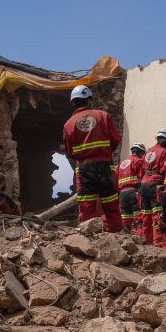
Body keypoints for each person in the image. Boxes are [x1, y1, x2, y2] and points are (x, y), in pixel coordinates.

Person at [62, 85, 123, 232]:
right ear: (89, 100)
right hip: (105, 166)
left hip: (84, 169)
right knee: (110, 203)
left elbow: (70, 151)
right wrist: (104, 153)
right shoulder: (102, 115)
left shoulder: (68, 124)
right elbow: (115, 139)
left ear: (73, 102)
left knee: (86, 205)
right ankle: (118, 235)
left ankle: (88, 238)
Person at [139, 129, 166, 245]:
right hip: (155, 185)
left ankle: (146, 241)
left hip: (143, 185)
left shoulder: (147, 151)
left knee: (145, 214)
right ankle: (158, 243)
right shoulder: (164, 153)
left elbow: (140, 170)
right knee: (157, 215)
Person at [117, 143, 146, 232]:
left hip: (122, 194)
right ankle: (141, 240)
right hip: (133, 192)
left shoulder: (121, 164)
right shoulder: (138, 161)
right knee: (139, 218)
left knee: (125, 220)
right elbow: (142, 178)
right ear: (140, 152)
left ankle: (125, 241)